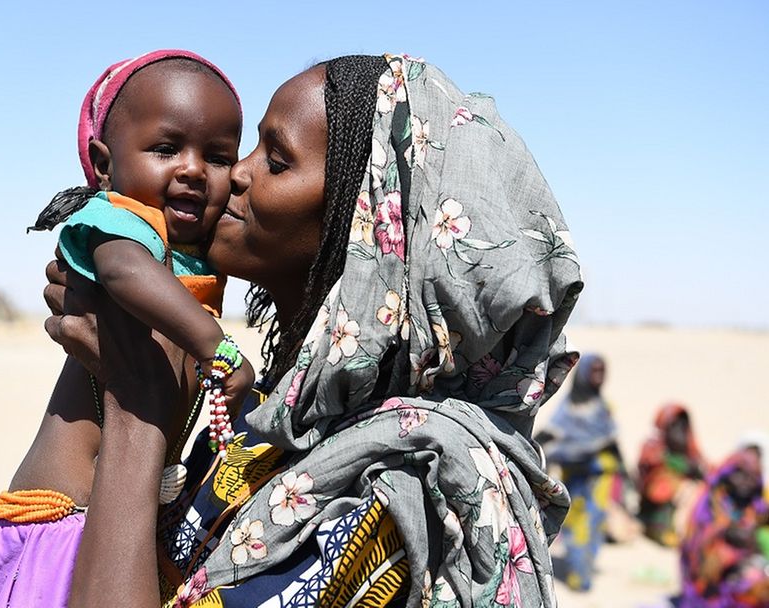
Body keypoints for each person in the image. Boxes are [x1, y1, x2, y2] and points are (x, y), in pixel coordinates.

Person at [45, 53, 584, 607]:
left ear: (369, 229)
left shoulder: (392, 492)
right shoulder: (261, 417)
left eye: (275, 161)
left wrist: (135, 413)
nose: (235, 174)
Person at [0, 49, 253, 608]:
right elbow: (124, 271)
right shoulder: (116, 220)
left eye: (217, 156)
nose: (191, 169)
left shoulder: (190, 258)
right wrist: (218, 347)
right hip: (49, 532)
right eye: (166, 148)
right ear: (104, 163)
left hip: (104, 525)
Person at [534, 353, 635, 591]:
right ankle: (578, 573)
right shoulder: (569, 409)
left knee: (593, 527)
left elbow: (611, 442)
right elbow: (550, 436)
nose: (599, 376)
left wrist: (628, 478)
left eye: (603, 371)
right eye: (594, 371)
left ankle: (583, 576)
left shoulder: (603, 407)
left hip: (600, 479)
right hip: (574, 477)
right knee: (575, 526)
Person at [679, 447, 769, 606]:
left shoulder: (757, 507)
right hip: (710, 586)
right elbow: (697, 553)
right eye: (740, 474)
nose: (746, 481)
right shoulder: (709, 506)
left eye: (752, 475)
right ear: (727, 474)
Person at [637, 403, 707, 547]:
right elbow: (653, 490)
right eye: (674, 427)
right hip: (656, 510)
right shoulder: (653, 452)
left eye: (683, 428)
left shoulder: (692, 454)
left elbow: (709, 473)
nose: (680, 434)